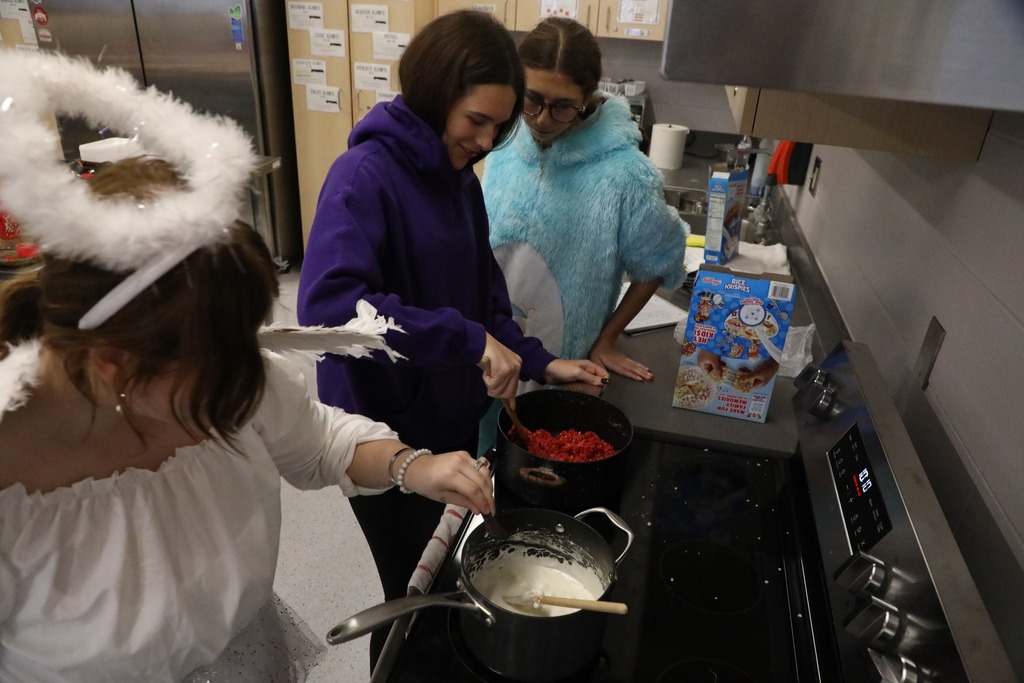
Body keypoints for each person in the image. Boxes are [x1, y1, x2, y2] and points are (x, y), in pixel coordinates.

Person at [0, 52, 496, 682]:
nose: (248, 381)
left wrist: (411, 466)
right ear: (114, 365)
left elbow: (315, 439)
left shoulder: (222, 367)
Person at [296, 9, 608, 665]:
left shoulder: (460, 178)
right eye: (476, 121)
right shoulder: (364, 177)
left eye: (501, 126)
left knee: (445, 580)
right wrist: (465, 340)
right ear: (438, 95)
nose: (488, 140)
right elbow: (328, 310)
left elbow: (484, 296)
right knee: (411, 592)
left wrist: (541, 363)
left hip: (448, 419)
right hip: (382, 431)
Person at [482, 17, 689, 385]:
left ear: (589, 97)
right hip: (489, 351)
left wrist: (607, 340)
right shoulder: (505, 143)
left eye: (563, 106)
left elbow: (659, 262)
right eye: (532, 99)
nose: (542, 119)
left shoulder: (625, 174)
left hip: (566, 361)